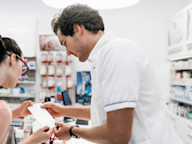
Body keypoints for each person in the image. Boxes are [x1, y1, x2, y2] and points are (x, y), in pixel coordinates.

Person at [41, 4, 183, 144]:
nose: (68, 52)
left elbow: (117, 136)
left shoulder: (117, 53)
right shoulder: (103, 57)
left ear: (77, 29)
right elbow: (106, 110)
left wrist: (72, 131)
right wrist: (64, 111)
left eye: (65, 43)